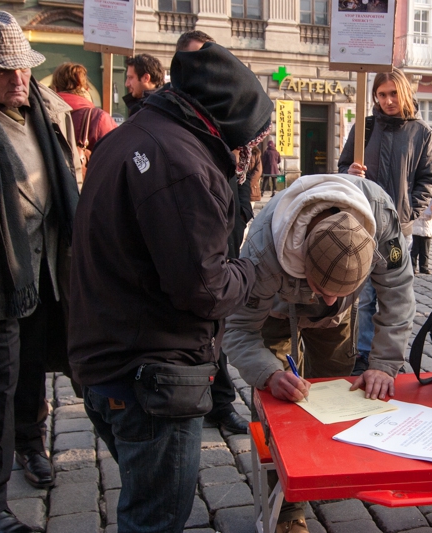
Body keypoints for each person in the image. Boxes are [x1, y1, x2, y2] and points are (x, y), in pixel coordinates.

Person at [68, 42, 271, 532]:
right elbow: (205, 288)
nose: (251, 153)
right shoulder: (182, 164)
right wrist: (251, 269)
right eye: (250, 140)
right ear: (226, 122)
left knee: (146, 498)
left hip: (110, 358)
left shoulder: (135, 134)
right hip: (152, 376)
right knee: (155, 518)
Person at [223, 173, 416, 533]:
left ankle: (325, 473)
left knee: (338, 396)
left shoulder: (382, 218)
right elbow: (238, 328)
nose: (328, 301)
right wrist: (269, 374)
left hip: (339, 323)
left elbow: (398, 292)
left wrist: (384, 365)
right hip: (275, 314)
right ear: (299, 264)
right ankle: (285, 512)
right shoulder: (263, 253)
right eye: (321, 289)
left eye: (340, 290)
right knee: (279, 407)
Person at [0, 11, 82, 533]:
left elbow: (68, 175)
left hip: (46, 266)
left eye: (23, 68)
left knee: (33, 367)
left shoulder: (49, 108)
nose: (18, 79)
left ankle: (32, 446)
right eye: (3, 71)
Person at [172, 30, 254, 435]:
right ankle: (206, 395)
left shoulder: (225, 110)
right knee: (208, 305)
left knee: (217, 317)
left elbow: (242, 165)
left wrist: (241, 209)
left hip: (227, 225)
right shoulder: (170, 127)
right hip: (191, 240)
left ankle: (220, 401)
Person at [338, 67, 432, 375]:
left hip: (398, 230)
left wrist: (408, 212)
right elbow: (343, 166)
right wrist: (348, 174)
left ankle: (391, 356)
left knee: (395, 295)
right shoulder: (365, 127)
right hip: (363, 224)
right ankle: (365, 352)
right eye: (381, 95)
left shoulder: (421, 131)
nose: (388, 100)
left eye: (393, 93)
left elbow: (430, 178)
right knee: (365, 295)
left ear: (405, 92)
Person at [51, 62, 117, 152]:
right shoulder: (98, 117)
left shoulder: (42, 114)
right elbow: (115, 154)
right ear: (86, 89)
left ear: (55, 89)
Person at [411, 197, 432, 275]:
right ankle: (412, 267)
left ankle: (424, 267)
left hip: (426, 229)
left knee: (425, 251)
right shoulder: (414, 199)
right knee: (414, 250)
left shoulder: (431, 201)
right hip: (415, 229)